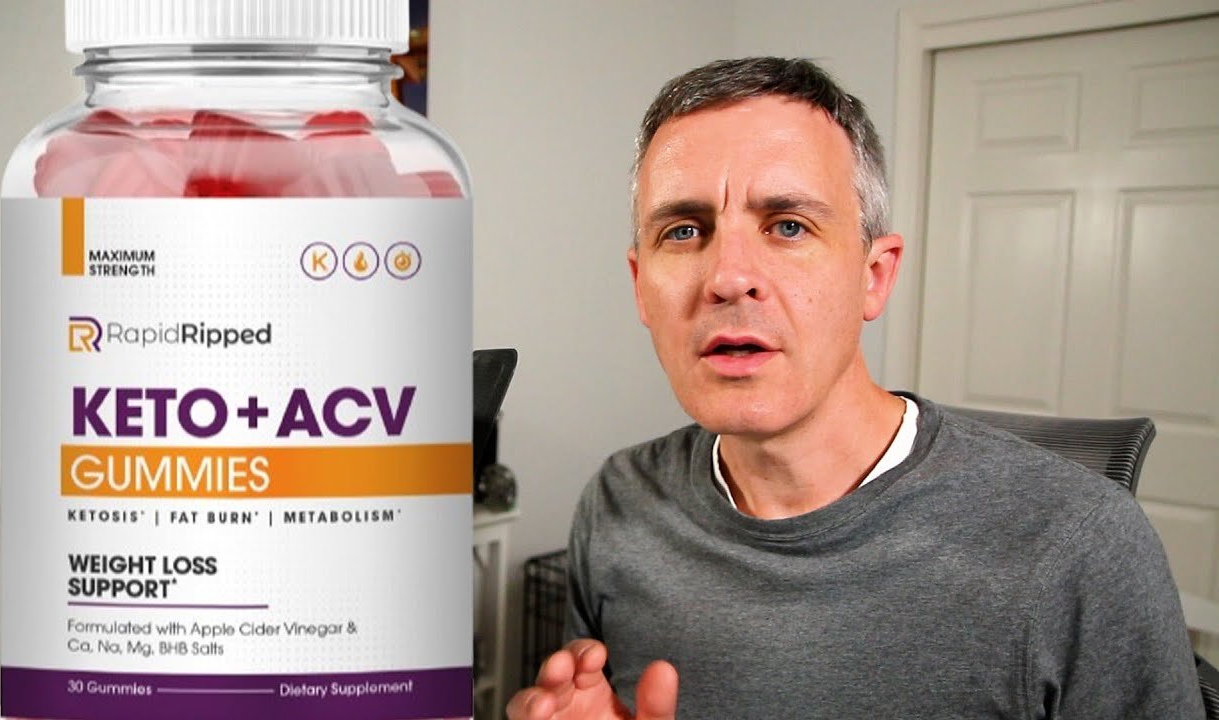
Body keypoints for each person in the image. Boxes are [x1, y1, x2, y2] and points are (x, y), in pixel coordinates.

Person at [505, 57, 1204, 720]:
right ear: (640, 286)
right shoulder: (619, 503)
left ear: (874, 276)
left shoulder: (1081, 547)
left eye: (788, 226)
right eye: (685, 231)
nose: (728, 278)